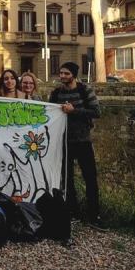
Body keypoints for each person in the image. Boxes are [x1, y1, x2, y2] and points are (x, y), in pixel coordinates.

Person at [49, 62, 103, 228]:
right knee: (67, 179)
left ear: (73, 74)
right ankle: (74, 211)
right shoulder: (56, 93)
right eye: (61, 73)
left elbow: (96, 112)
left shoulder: (84, 90)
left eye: (66, 73)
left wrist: (74, 111)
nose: (62, 76)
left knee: (90, 178)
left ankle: (94, 215)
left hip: (83, 141)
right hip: (64, 142)